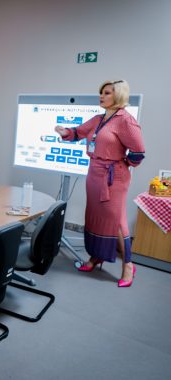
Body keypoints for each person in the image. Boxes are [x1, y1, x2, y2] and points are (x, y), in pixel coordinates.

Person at [55, 80, 145, 287]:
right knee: (96, 217)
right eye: (101, 93)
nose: (101, 96)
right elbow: (78, 132)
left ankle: (128, 266)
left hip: (114, 178)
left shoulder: (125, 120)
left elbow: (138, 151)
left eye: (106, 93)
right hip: (94, 174)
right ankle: (97, 256)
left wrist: (123, 164)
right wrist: (64, 131)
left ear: (119, 96)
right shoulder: (98, 119)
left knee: (116, 221)